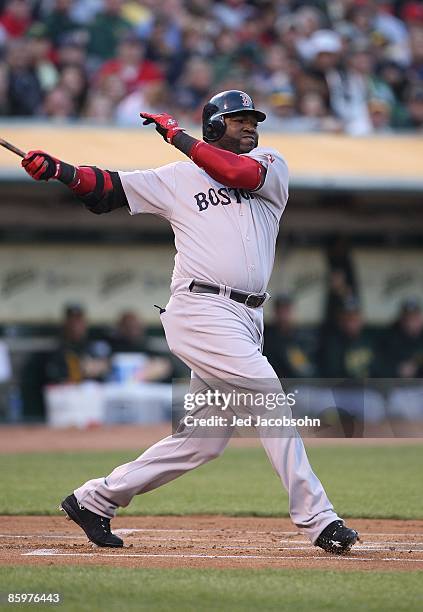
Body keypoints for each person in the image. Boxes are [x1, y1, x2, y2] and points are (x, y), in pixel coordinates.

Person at [21, 89, 358, 554]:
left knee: (202, 441)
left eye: (252, 119)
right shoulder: (179, 177)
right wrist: (57, 170)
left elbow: (235, 172)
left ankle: (94, 499)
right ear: (215, 125)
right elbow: (106, 190)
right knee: (268, 392)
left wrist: (176, 136)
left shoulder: (270, 164)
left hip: (247, 316)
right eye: (238, 119)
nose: (250, 126)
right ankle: (319, 519)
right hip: (201, 309)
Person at [263, 294, 316, 378]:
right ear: (275, 312)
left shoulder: (303, 338)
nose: (284, 315)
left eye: (287, 310)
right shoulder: (265, 335)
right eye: (280, 310)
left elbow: (305, 369)